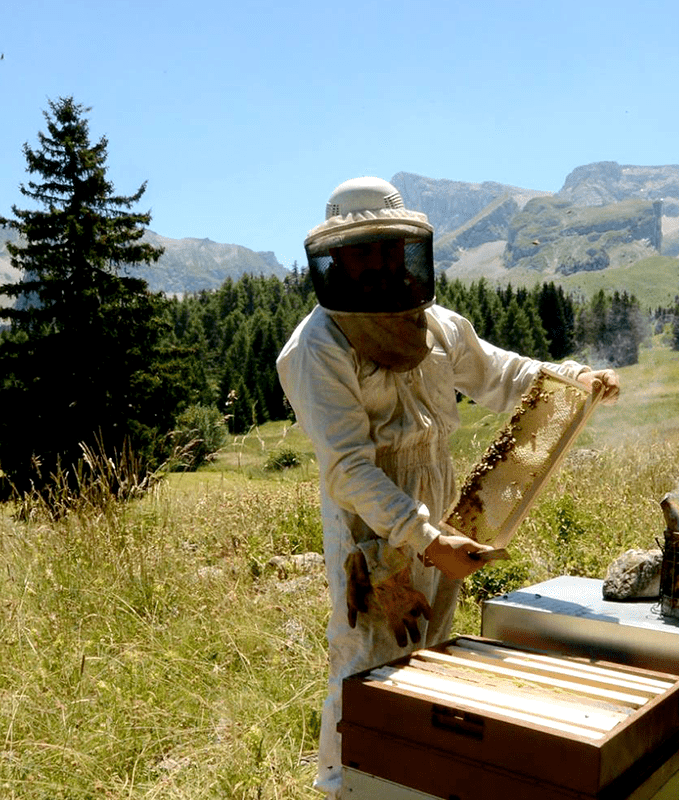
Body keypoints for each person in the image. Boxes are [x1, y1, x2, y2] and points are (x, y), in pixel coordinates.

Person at [275, 176, 620, 798]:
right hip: (370, 521)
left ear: (409, 249)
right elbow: (349, 469)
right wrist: (426, 541)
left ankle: (414, 779)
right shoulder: (317, 346)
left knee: (433, 647)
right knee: (367, 657)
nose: (379, 263)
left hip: (441, 501)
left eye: (388, 248)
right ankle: (344, 785)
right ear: (336, 258)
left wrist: (573, 379)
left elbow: (505, 377)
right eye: (363, 251)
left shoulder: (437, 326)